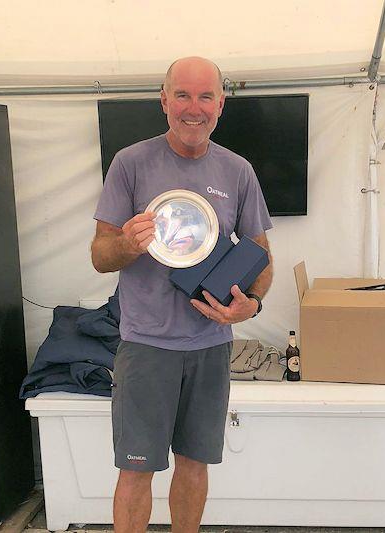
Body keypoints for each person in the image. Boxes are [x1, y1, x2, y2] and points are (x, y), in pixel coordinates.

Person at [91, 56, 273, 533]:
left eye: (206, 96)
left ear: (221, 104)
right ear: (164, 101)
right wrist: (127, 245)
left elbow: (261, 258)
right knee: (136, 469)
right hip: (146, 345)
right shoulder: (130, 163)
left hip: (210, 346)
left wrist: (250, 304)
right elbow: (100, 254)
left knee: (194, 466)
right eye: (184, 95)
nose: (195, 108)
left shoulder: (238, 171)